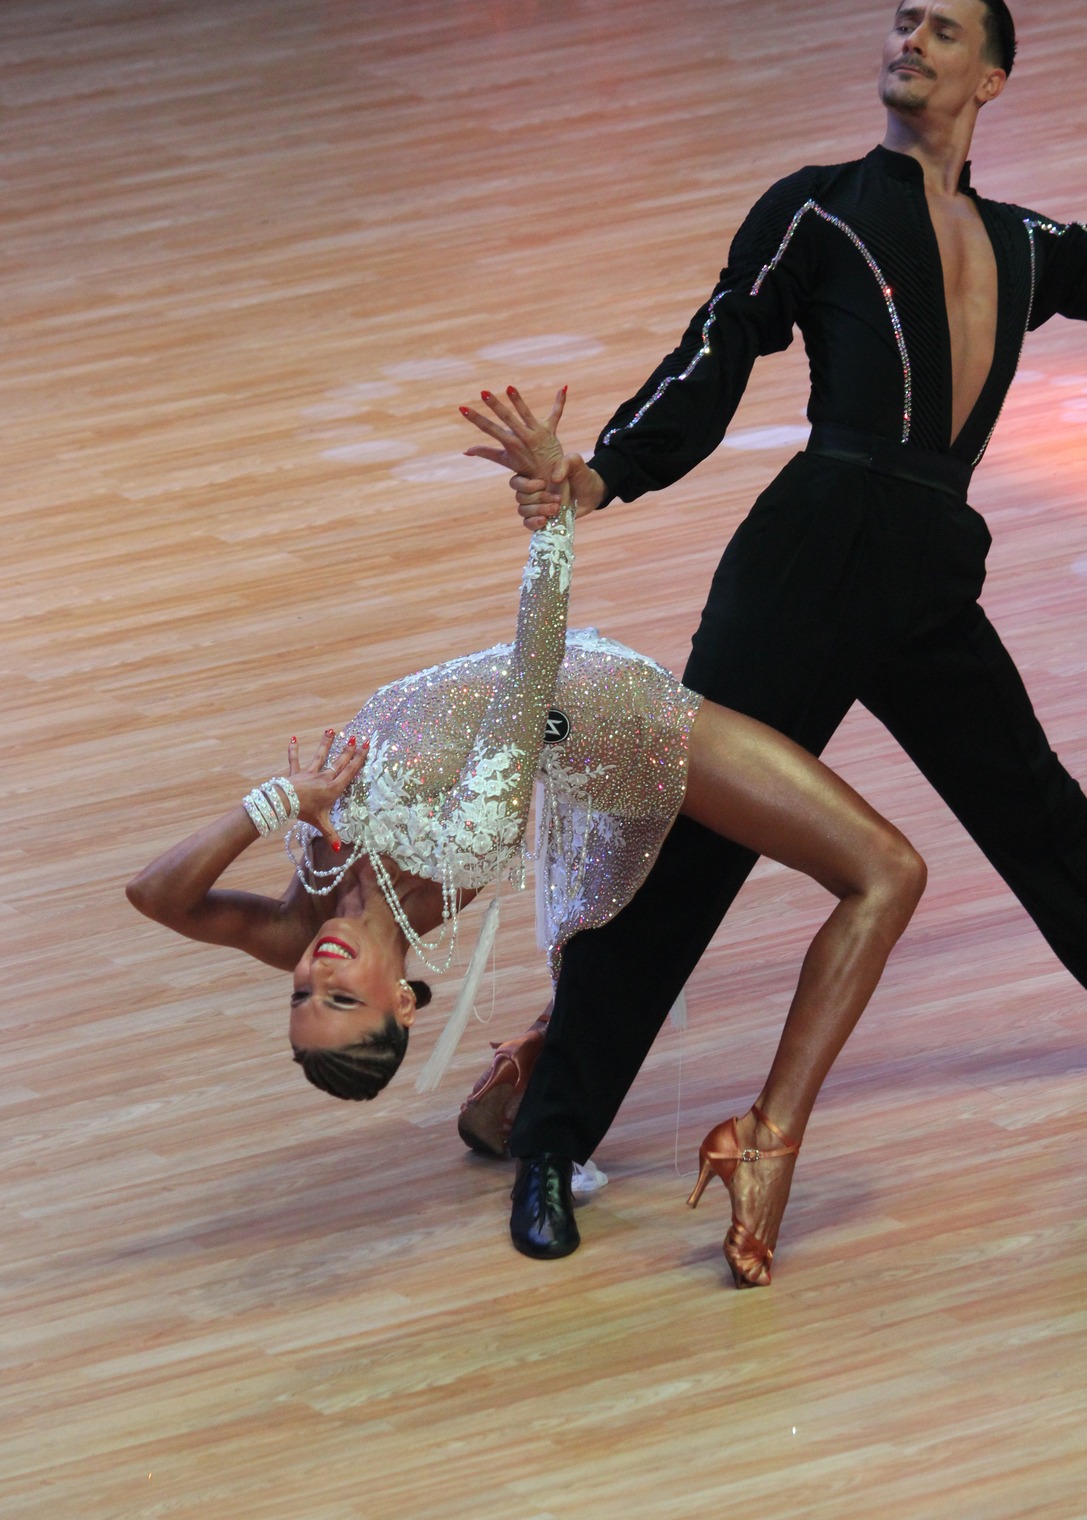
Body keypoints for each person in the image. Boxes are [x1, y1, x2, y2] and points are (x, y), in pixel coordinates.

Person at [492, 0, 1087, 1247]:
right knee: (694, 844)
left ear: (989, 76)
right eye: (903, 21)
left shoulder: (1024, 245)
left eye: (942, 30)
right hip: (809, 558)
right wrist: (602, 472)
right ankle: (553, 1137)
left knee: (1031, 801)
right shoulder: (818, 208)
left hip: (926, 564)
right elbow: (717, 347)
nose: (911, 39)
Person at [127, 388, 928, 1285]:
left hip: (560, 726)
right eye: (342, 1000)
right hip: (610, 716)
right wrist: (554, 517)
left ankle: (534, 1067)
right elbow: (529, 675)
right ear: (402, 1003)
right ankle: (764, 1139)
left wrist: (278, 800)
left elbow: (153, 896)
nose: (316, 972)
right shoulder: (460, 848)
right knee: (887, 871)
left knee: (631, 940)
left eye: (302, 995)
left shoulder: (297, 924)